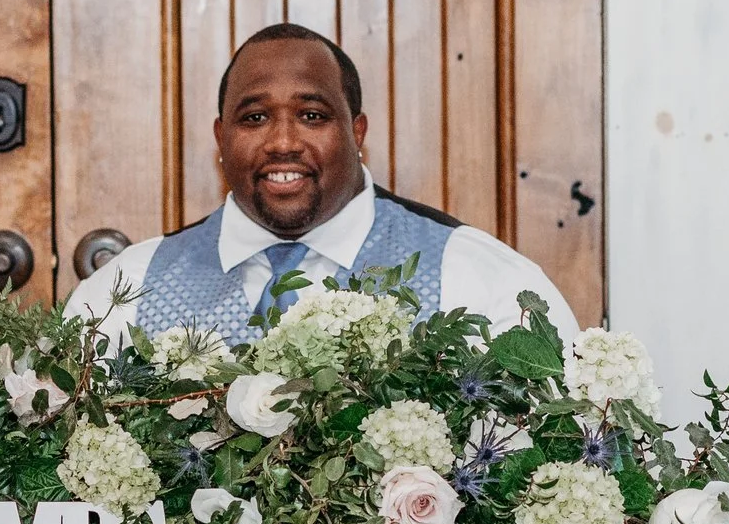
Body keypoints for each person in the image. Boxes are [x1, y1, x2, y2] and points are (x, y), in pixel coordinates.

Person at [65, 23, 576, 344]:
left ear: (357, 132)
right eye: (255, 118)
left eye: (311, 115)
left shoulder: (483, 282)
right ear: (221, 139)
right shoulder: (119, 294)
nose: (283, 142)